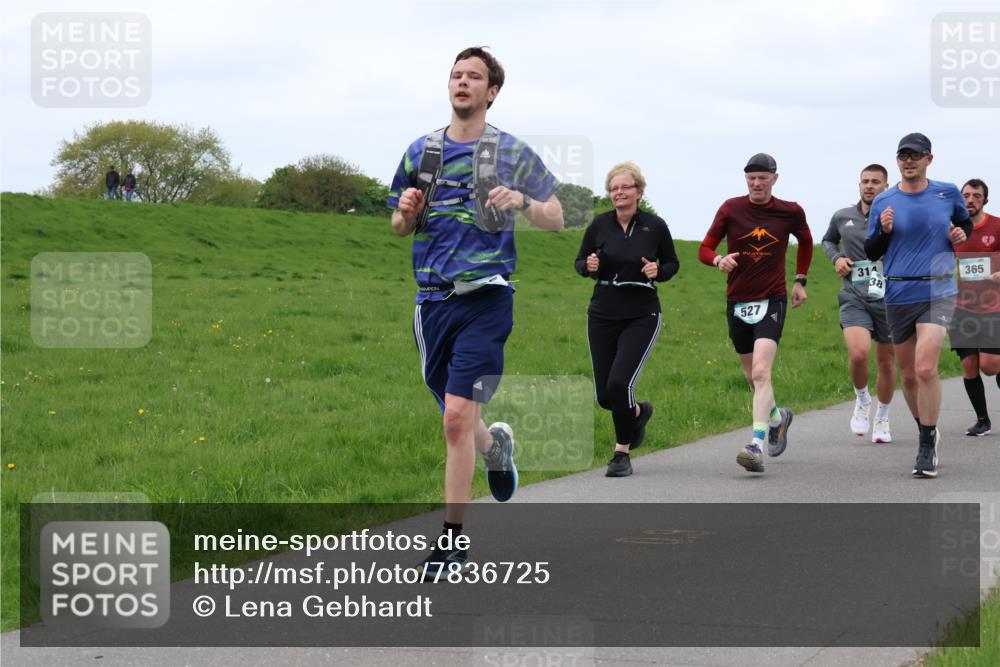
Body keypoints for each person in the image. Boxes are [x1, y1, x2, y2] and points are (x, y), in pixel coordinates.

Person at [387, 47, 563, 578]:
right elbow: (397, 225)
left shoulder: (511, 151)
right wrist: (407, 213)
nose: (462, 83)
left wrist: (523, 204)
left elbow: (555, 217)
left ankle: (452, 541)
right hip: (432, 299)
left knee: (454, 418)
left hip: (488, 297)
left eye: (474, 77)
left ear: (492, 92)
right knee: (457, 416)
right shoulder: (422, 151)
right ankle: (495, 447)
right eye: (456, 75)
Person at [864, 132, 972, 478]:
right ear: (897, 161)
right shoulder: (884, 200)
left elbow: (963, 223)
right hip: (897, 292)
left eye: (915, 155)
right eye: (903, 156)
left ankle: (926, 447)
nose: (908, 161)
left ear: (929, 159)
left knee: (926, 368)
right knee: (908, 375)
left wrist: (960, 235)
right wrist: (883, 231)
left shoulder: (947, 192)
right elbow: (871, 251)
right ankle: (927, 428)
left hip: (937, 289)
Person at [699, 153, 811, 473]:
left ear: (775, 179)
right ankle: (778, 418)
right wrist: (718, 260)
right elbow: (704, 248)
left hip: (772, 299)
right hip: (737, 300)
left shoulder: (790, 211)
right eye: (751, 178)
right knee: (751, 376)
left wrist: (800, 280)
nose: (757, 183)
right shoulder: (731, 208)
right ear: (745, 179)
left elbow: (805, 241)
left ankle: (756, 445)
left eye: (763, 178)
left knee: (762, 373)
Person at [574, 162, 679, 478]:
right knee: (606, 396)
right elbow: (580, 262)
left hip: (641, 314)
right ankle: (637, 412)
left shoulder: (655, 226)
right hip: (603, 313)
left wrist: (657, 272)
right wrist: (589, 265)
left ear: (638, 191)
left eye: (625, 187)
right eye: (613, 188)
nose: (619, 193)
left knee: (620, 383)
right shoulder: (599, 225)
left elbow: (672, 263)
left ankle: (621, 453)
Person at [822, 164, 897, 442]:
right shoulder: (843, 216)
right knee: (858, 353)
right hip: (854, 295)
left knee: (887, 361)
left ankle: (883, 416)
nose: (869, 186)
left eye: (875, 182)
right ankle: (863, 399)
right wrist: (837, 258)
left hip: (890, 298)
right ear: (859, 185)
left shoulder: (895, 217)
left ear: (886, 186)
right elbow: (828, 240)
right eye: (865, 181)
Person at [951, 178, 1000, 436]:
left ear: (985, 200)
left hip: (994, 306)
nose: (970, 200)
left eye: (976, 196)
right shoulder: (953, 230)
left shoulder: (997, 226)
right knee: (969, 364)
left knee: (990, 365)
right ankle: (983, 420)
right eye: (966, 195)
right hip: (963, 307)